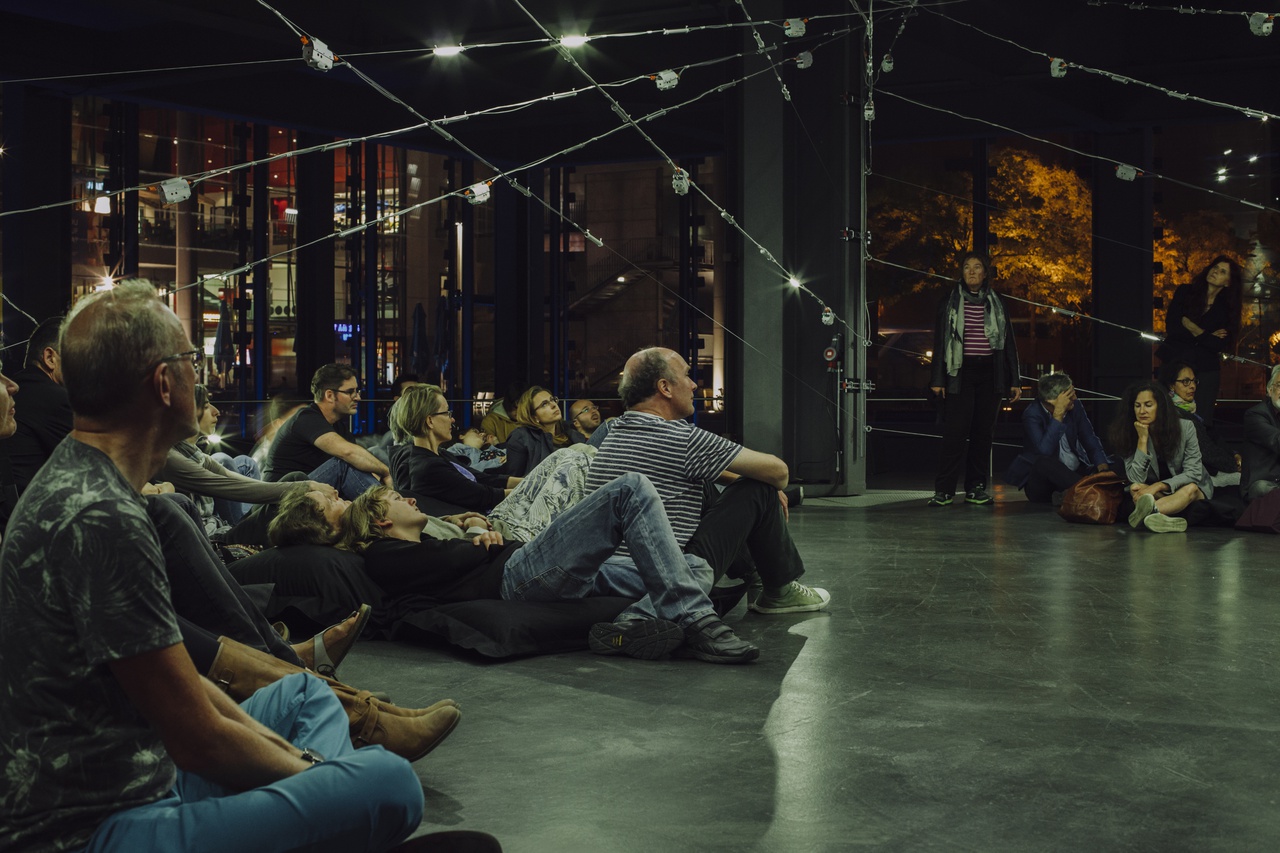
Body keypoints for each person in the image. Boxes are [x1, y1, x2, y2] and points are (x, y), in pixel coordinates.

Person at [0, 281, 425, 852]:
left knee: (305, 697)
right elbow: (198, 737)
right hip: (97, 829)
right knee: (390, 783)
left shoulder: (95, 483)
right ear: (163, 382)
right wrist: (324, 784)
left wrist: (310, 772)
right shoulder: (100, 517)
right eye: (192, 361)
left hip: (147, 773)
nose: (200, 375)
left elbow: (189, 688)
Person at [336, 479, 760, 664]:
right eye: (395, 498)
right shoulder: (383, 554)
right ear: (379, 521)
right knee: (629, 489)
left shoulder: (422, 544)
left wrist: (478, 534)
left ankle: (634, 623)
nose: (408, 500)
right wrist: (478, 539)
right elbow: (456, 560)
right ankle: (697, 620)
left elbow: (455, 557)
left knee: (693, 566)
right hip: (518, 575)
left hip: (524, 564)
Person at [586, 346, 830, 615]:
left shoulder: (611, 432)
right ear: (665, 387)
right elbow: (779, 472)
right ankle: (780, 589)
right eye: (687, 376)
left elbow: (697, 467)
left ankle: (757, 577)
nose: (693, 385)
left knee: (704, 480)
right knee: (757, 488)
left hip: (606, 573)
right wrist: (768, 487)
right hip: (663, 577)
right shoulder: (683, 439)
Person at [388, 385, 594, 542]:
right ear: (430, 421)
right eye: (447, 413)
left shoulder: (439, 455)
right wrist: (540, 486)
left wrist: (536, 479)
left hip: (502, 507)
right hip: (501, 518)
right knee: (572, 460)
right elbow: (485, 495)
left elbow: (488, 478)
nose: (452, 420)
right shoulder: (427, 467)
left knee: (576, 451)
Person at [928, 251, 1022, 506]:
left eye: (977, 267)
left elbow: (1009, 343)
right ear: (961, 272)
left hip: (991, 373)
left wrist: (1015, 379)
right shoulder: (949, 300)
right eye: (967, 267)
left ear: (985, 273)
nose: (971, 271)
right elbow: (940, 342)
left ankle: (976, 487)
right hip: (960, 372)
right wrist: (938, 379)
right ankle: (944, 490)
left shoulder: (997, 301)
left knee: (983, 433)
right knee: (955, 432)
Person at [264, 363, 392, 497]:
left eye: (357, 391)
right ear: (330, 395)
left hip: (312, 494)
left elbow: (358, 465)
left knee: (369, 456)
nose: (357, 397)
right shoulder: (306, 418)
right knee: (344, 463)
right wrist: (386, 472)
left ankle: (391, 503)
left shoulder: (339, 427)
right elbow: (348, 453)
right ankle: (389, 507)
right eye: (350, 392)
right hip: (281, 501)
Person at [1107, 380, 1212, 533]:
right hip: (1156, 491)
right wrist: (1142, 440)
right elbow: (1135, 478)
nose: (1142, 411)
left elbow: (1194, 473)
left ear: (1160, 407)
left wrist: (1159, 485)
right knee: (1135, 487)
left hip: (1187, 487)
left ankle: (1148, 513)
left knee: (1191, 488)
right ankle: (1160, 520)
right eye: (1138, 406)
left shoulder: (1186, 428)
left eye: (1148, 405)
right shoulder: (1130, 432)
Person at [1159, 255, 1243, 430]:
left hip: (1206, 369)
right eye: (1214, 267)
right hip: (1175, 361)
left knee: (1202, 422)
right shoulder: (1185, 291)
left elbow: (1219, 345)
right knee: (1166, 418)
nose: (1215, 272)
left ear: (1227, 282)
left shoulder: (1227, 309)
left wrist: (1192, 326)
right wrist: (1206, 336)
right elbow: (1173, 327)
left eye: (1222, 271)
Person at [1004, 372, 1110, 504]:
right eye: (1070, 395)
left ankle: (1081, 492)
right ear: (1052, 400)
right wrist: (1058, 416)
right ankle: (1092, 491)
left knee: (1116, 462)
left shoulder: (1074, 405)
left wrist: (1103, 468)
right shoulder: (1032, 414)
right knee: (1044, 462)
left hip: (1074, 472)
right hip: (1043, 483)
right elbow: (1044, 451)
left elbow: (1089, 437)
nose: (1075, 398)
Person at [0, 315, 71, 494]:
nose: (12, 386)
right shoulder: (57, 399)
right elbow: (103, 466)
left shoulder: (22, 389)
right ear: (50, 358)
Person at [1156, 361, 1240, 482]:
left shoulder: (1190, 410)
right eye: (1186, 382)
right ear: (1171, 385)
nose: (1192, 386)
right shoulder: (1174, 414)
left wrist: (1234, 454)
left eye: (1194, 381)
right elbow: (1207, 453)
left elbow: (1213, 439)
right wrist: (1234, 465)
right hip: (1191, 476)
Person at [504, 386, 586, 476]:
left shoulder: (568, 430)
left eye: (553, 400)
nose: (553, 405)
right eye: (544, 404)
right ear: (534, 417)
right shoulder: (521, 436)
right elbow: (514, 479)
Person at [1241, 364, 1280, 501]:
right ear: (1269, 390)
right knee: (1262, 487)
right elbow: (1276, 441)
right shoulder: (1255, 414)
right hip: (1260, 483)